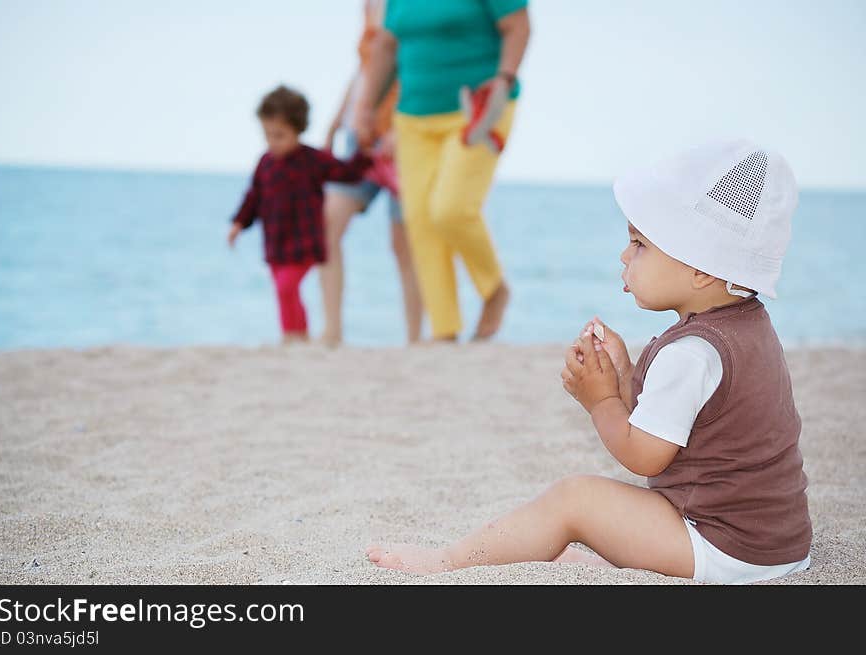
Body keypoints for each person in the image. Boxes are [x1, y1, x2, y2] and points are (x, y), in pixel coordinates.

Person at [365, 139, 813, 584]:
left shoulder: (692, 353)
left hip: (725, 549)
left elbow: (645, 456)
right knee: (598, 505)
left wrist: (600, 401)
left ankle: (447, 563)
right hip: (777, 544)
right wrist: (624, 378)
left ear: (702, 269)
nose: (624, 255)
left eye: (639, 244)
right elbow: (689, 423)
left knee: (574, 499)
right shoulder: (748, 327)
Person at [353, 0, 531, 342]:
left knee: (450, 208)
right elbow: (387, 46)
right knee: (419, 220)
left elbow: (518, 26)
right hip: (413, 117)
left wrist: (504, 80)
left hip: (478, 110)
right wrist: (365, 107)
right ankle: (444, 331)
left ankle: (494, 288)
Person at [227, 85, 372, 343]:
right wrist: (239, 223)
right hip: (275, 242)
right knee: (283, 292)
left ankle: (296, 334)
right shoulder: (265, 163)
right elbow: (253, 197)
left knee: (287, 286)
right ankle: (294, 335)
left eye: (280, 135)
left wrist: (364, 155)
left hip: (304, 241)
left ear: (298, 129)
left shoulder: (312, 160)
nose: (273, 142)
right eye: (268, 135)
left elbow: (345, 173)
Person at [320, 0, 422, 347]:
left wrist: (400, 129)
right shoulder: (369, 7)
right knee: (327, 225)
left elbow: (420, 68)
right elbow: (364, 70)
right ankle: (332, 333)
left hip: (405, 138)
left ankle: (415, 340)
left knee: (404, 245)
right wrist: (336, 121)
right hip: (360, 138)